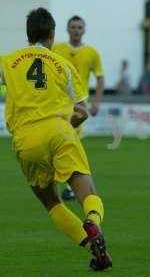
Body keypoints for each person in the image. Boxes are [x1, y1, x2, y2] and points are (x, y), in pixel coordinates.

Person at [0, 8, 112, 271]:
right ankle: (93, 222)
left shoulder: (7, 61)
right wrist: (66, 126)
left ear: (28, 35)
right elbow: (82, 112)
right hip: (60, 131)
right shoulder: (63, 64)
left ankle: (94, 252)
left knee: (51, 201)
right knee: (87, 189)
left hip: (26, 139)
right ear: (51, 35)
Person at [53, 15, 105, 200]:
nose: (76, 30)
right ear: (67, 29)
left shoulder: (91, 53)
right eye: (73, 27)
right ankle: (65, 184)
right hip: (56, 103)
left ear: (84, 30)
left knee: (70, 144)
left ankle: (68, 186)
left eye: (79, 27)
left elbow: (100, 77)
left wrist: (97, 101)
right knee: (60, 144)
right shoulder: (57, 49)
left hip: (77, 107)